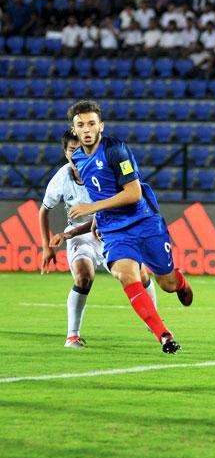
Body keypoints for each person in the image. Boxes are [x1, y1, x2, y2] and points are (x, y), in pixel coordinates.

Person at [65, 100, 193, 354]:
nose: (87, 129)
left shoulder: (116, 150)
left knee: (165, 284)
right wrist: (99, 220)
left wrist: (92, 208)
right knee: (126, 275)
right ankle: (164, 336)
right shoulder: (77, 159)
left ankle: (179, 282)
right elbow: (98, 191)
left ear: (101, 125)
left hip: (144, 222)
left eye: (92, 123)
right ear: (74, 130)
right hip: (114, 231)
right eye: (81, 125)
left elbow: (133, 193)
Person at [39, 130, 158, 348]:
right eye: (71, 150)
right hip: (79, 236)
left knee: (139, 274)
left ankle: (154, 319)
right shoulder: (61, 178)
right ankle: (72, 336)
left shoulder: (103, 169)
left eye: (79, 149)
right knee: (84, 276)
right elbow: (43, 211)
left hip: (109, 231)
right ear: (65, 153)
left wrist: (79, 229)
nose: (76, 154)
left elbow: (125, 198)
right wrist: (47, 247)